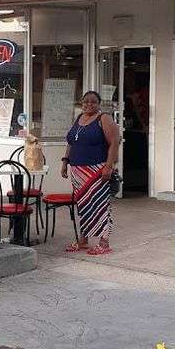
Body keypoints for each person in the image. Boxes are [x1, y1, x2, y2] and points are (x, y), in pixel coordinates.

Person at [61, 90, 120, 255]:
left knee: (101, 206)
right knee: (84, 205)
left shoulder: (104, 118)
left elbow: (115, 143)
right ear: (81, 102)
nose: (89, 104)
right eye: (86, 101)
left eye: (93, 102)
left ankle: (104, 242)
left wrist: (109, 166)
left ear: (99, 104)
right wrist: (65, 162)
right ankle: (83, 240)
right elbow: (71, 142)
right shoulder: (79, 118)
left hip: (97, 170)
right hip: (77, 170)